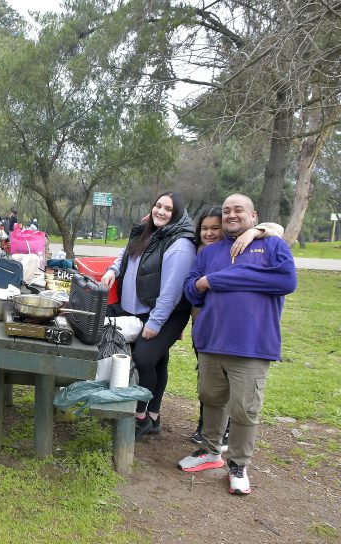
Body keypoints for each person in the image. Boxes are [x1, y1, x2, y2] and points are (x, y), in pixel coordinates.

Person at [177, 194, 297, 496]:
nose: (231, 214)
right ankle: (210, 450)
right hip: (212, 342)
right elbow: (193, 290)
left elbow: (285, 282)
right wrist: (205, 282)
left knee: (245, 409)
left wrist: (218, 279)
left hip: (252, 344)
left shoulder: (271, 245)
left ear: (253, 215)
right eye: (227, 210)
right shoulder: (209, 252)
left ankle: (239, 464)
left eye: (238, 210)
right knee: (211, 397)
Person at [101, 192, 196, 439]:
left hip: (166, 313)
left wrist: (154, 323)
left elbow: (172, 290)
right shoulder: (148, 231)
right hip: (139, 308)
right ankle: (153, 417)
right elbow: (127, 254)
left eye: (168, 209)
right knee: (158, 360)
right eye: (158, 206)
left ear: (177, 214)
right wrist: (113, 269)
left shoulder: (181, 244)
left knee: (144, 359)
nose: (161, 212)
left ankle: (141, 417)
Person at [189, 207, 284, 449]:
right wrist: (200, 286)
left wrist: (213, 280)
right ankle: (209, 441)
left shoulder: (263, 244)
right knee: (211, 393)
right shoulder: (203, 252)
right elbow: (190, 291)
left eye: (215, 227)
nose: (210, 233)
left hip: (248, 340)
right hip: (210, 334)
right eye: (205, 229)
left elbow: (284, 276)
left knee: (243, 403)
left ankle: (237, 459)